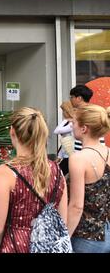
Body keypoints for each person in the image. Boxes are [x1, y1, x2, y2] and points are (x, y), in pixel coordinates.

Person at [0, 107, 68, 253]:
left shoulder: (6, 173)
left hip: (16, 246)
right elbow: (62, 219)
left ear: (12, 131)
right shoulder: (57, 171)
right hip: (49, 246)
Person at [67, 104, 110, 253]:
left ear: (84, 128)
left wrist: (63, 237)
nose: (72, 127)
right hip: (107, 230)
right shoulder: (109, 152)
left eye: (73, 123)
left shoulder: (78, 159)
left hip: (85, 236)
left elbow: (76, 206)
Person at [69, 85, 106, 151]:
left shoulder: (81, 113)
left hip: (86, 149)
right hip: (98, 148)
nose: (70, 100)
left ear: (79, 98)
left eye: (72, 97)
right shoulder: (94, 111)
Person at [54, 101, 75, 175]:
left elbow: (56, 131)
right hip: (66, 154)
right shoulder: (69, 122)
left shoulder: (73, 123)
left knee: (58, 174)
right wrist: (59, 156)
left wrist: (66, 119)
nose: (63, 113)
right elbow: (64, 142)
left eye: (64, 111)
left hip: (71, 155)